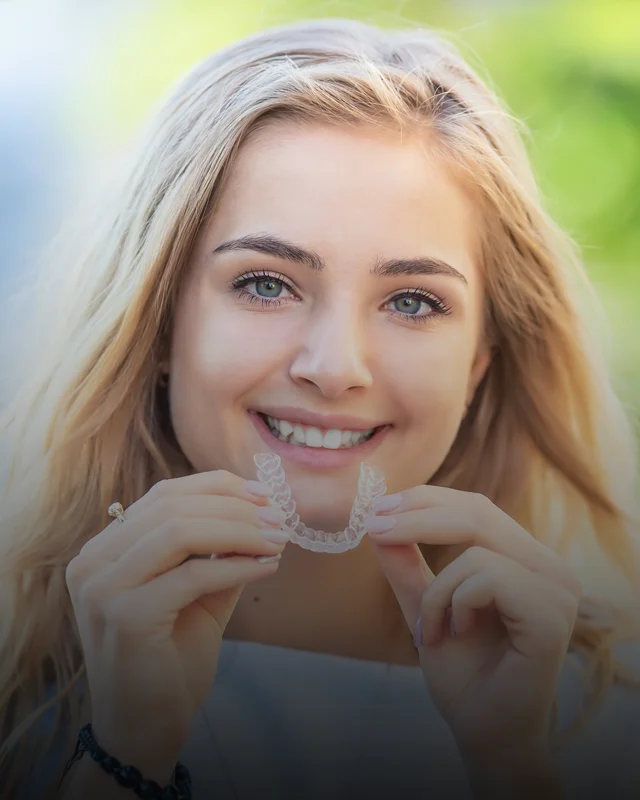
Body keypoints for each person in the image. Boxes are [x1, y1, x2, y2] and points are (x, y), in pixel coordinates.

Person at [1, 17, 639, 800]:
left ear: (480, 360)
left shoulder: (610, 724)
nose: (335, 368)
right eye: (266, 283)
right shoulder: (16, 702)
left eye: (411, 301)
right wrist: (123, 758)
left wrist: (514, 769)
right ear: (159, 320)